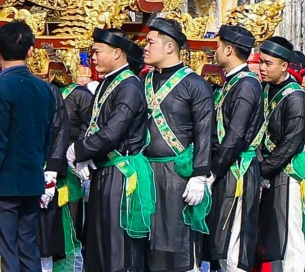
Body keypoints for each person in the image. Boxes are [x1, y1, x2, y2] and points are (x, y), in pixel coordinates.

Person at [0, 20, 57, 272]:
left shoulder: (0, 88)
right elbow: (47, 137)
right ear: (30, 51)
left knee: (7, 252)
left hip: (4, 183)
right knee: (28, 249)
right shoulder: (45, 89)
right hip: (31, 179)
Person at [135, 17, 213, 272]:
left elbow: (205, 131)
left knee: (179, 241)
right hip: (146, 172)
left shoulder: (195, 84)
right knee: (149, 242)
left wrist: (200, 174)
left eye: (150, 42)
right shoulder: (142, 81)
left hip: (178, 174)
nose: (144, 47)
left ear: (169, 47)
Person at [71, 28, 151, 272]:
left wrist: (79, 151)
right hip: (105, 170)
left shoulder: (129, 86)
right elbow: (93, 122)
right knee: (98, 242)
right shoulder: (110, 82)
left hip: (122, 173)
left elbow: (113, 131)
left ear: (117, 53)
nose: (92, 58)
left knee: (117, 245)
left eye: (96, 52)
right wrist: (82, 151)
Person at [250, 38, 305, 272]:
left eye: (268, 63)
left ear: (285, 65)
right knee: (271, 231)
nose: (263, 68)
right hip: (264, 167)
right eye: (261, 62)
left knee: (289, 228)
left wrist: (264, 169)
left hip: (286, 170)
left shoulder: (296, 98)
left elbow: (291, 143)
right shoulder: (264, 89)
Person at [208, 23, 265, 272]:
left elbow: (236, 134)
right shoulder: (231, 82)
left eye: (218, 46)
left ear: (229, 50)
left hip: (236, 169)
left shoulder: (246, 84)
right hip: (226, 167)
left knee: (233, 241)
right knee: (220, 238)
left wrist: (214, 170)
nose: (215, 51)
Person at [46, 53, 98, 265]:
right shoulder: (40, 91)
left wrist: (79, 152)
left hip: (69, 168)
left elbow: (92, 126)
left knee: (72, 225)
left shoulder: (81, 95)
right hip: (40, 166)